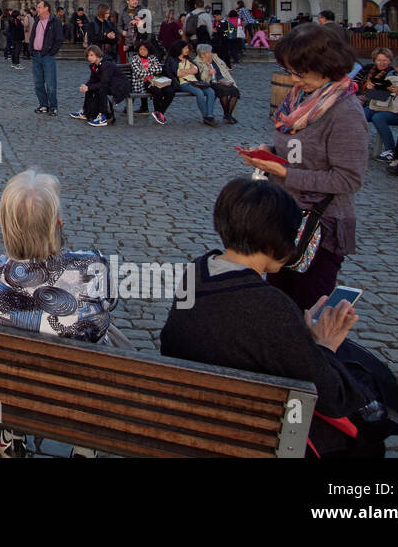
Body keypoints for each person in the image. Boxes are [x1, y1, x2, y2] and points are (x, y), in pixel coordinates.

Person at [160, 179, 386, 458]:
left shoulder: (197, 272)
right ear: (274, 242)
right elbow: (332, 397)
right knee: (370, 438)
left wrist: (300, 337)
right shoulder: (271, 306)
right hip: (249, 436)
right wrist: (325, 345)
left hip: (190, 418)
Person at [0, 169, 118, 458]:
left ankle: (12, 431)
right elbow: (110, 303)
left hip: (12, 381)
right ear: (58, 224)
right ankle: (86, 445)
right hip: (78, 384)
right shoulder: (92, 267)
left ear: (5, 224)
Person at [242, 22, 366, 310]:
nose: (295, 79)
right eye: (290, 71)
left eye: (301, 72)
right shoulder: (299, 100)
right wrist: (270, 153)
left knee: (306, 309)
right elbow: (298, 152)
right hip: (284, 218)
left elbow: (348, 180)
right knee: (278, 306)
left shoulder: (345, 112)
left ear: (327, 66)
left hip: (319, 227)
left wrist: (284, 173)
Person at [69, 45, 122, 127]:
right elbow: (93, 79)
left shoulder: (106, 64)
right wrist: (86, 87)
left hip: (118, 86)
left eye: (91, 55)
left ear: (97, 54)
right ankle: (85, 111)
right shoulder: (94, 65)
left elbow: (105, 82)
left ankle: (103, 117)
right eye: (88, 55)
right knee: (90, 88)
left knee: (101, 90)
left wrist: (89, 87)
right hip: (108, 85)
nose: (89, 58)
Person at [30, 0, 63, 115]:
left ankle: (53, 106)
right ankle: (43, 104)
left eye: (39, 7)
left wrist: (51, 52)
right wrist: (31, 50)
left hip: (47, 56)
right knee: (38, 83)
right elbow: (33, 36)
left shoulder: (54, 22)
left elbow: (59, 39)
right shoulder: (37, 21)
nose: (37, 9)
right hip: (36, 55)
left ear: (46, 8)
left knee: (50, 83)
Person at [194, 43, 241, 124]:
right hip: (211, 82)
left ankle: (228, 114)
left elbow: (223, 66)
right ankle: (228, 116)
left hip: (223, 79)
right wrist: (208, 72)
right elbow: (202, 78)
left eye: (210, 51)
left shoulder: (215, 58)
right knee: (223, 92)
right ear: (203, 54)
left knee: (235, 92)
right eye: (209, 52)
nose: (211, 53)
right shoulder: (197, 62)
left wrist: (227, 70)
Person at [172, 40, 217, 124]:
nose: (187, 50)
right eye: (185, 48)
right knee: (199, 93)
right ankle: (205, 116)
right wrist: (190, 70)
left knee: (211, 92)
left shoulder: (188, 59)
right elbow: (178, 73)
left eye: (187, 48)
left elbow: (195, 70)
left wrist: (185, 71)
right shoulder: (175, 60)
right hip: (184, 83)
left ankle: (210, 115)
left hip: (195, 82)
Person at [130, 41, 175, 123]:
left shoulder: (153, 58)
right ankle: (158, 113)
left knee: (170, 91)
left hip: (156, 80)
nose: (142, 51)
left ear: (149, 50)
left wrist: (147, 69)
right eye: (140, 49)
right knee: (157, 92)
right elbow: (139, 74)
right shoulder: (135, 59)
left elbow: (159, 69)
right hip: (143, 83)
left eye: (144, 49)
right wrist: (152, 69)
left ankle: (159, 112)